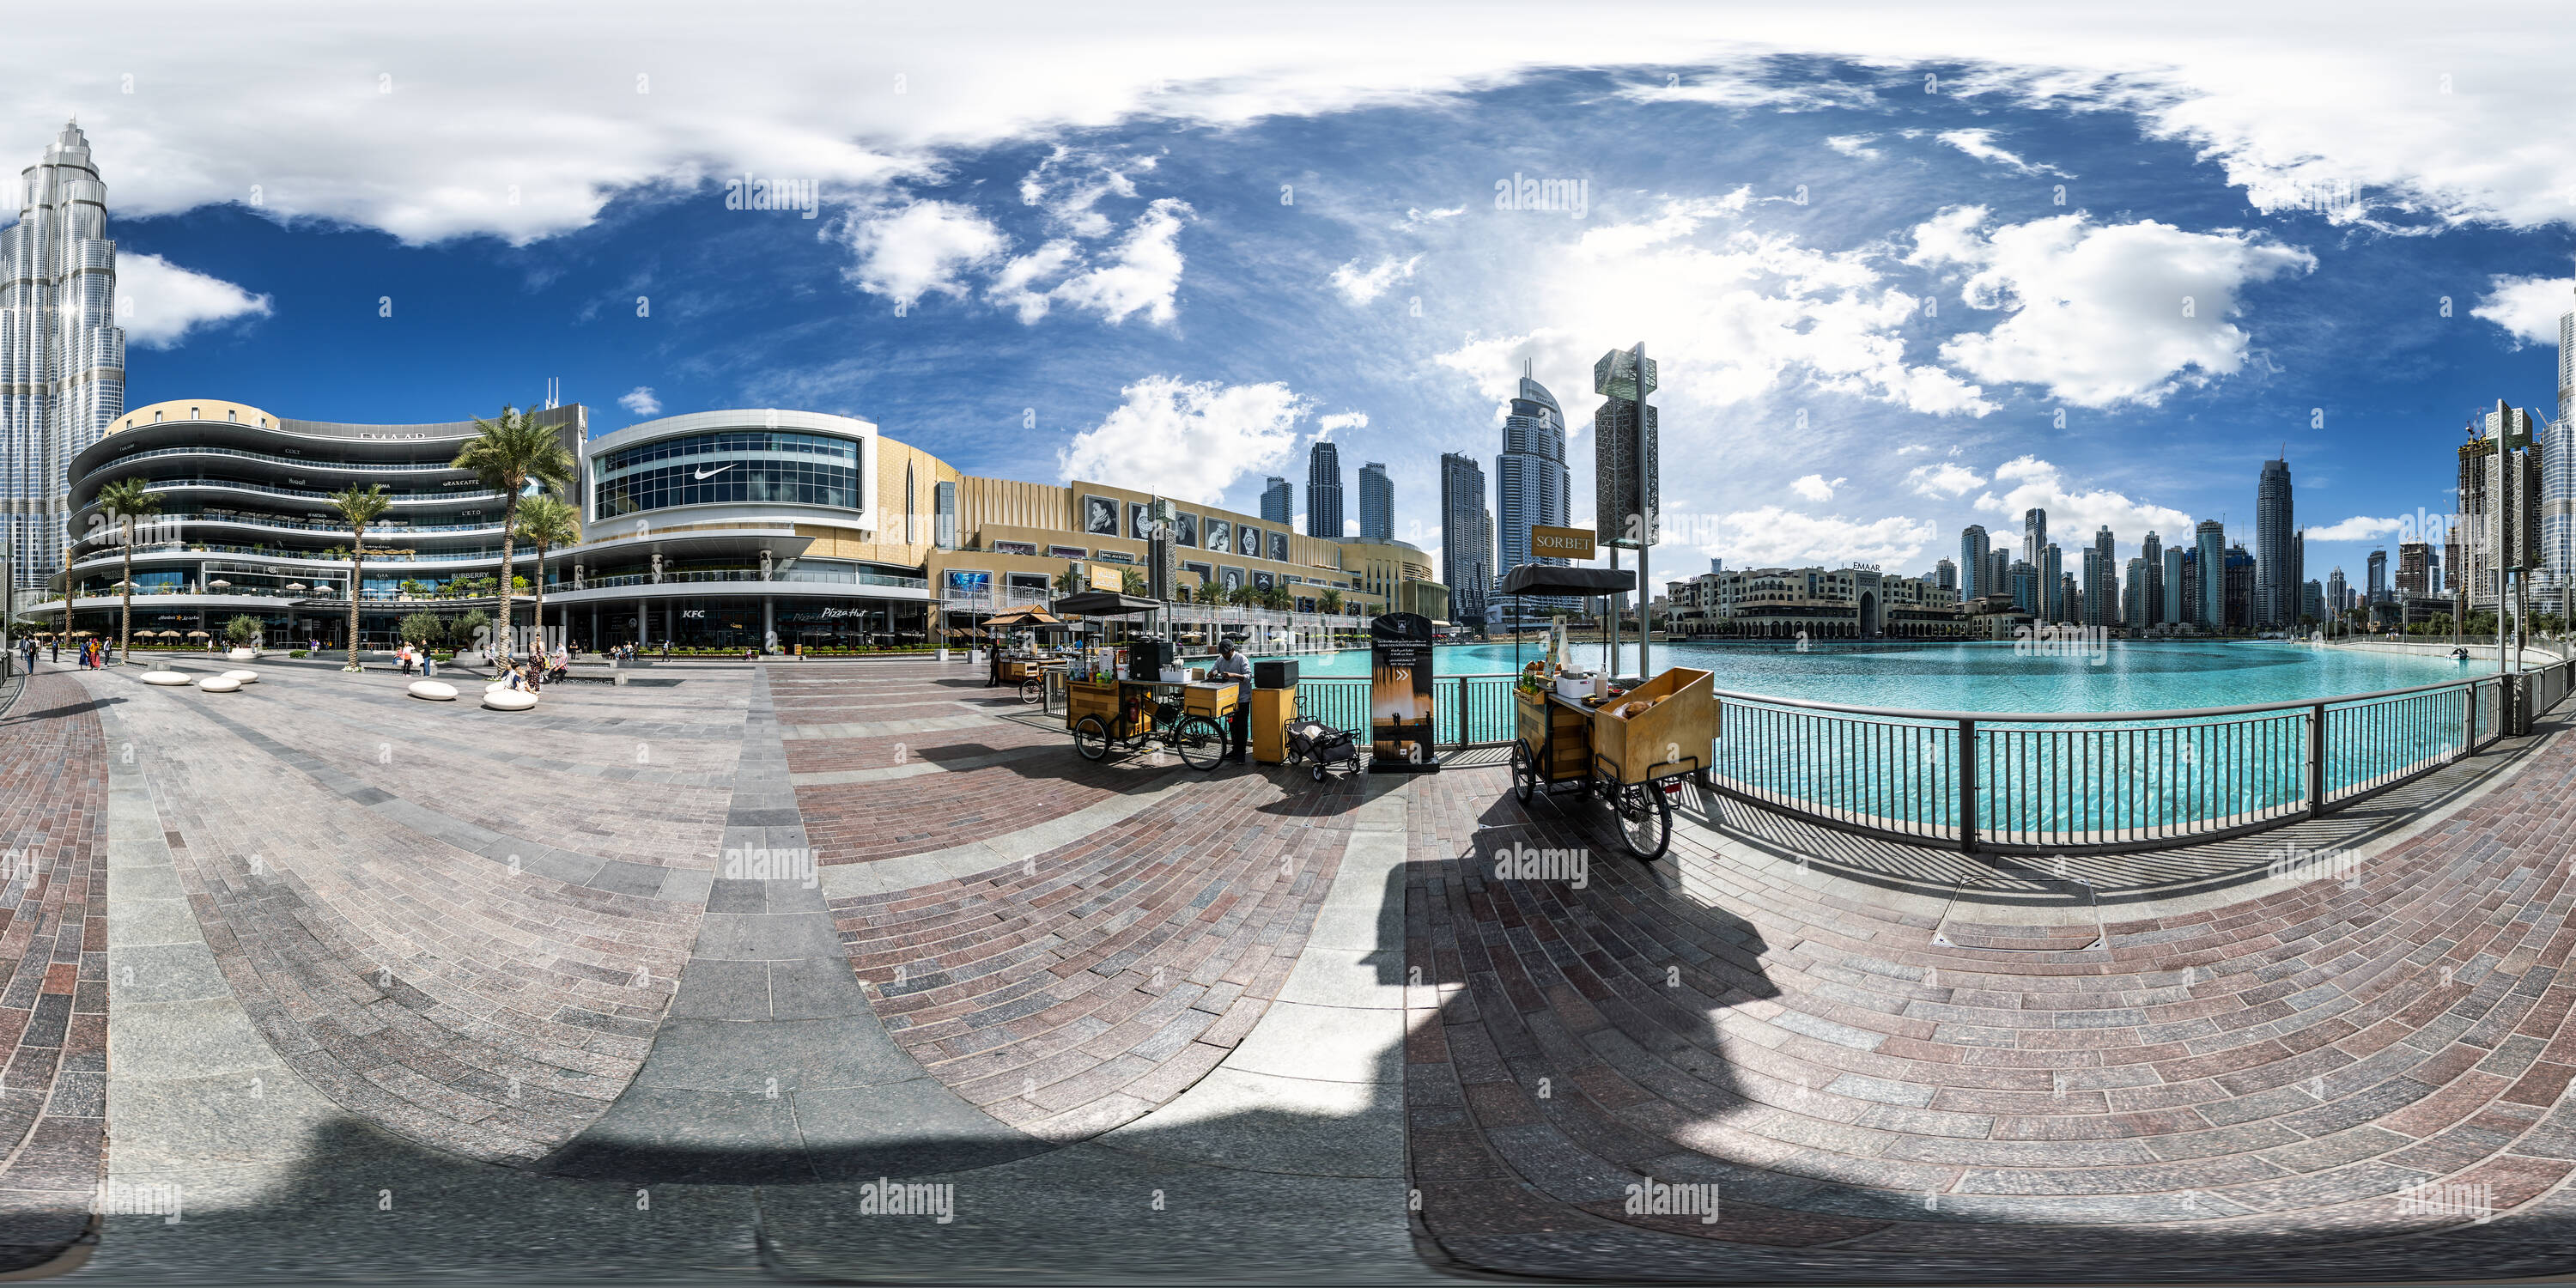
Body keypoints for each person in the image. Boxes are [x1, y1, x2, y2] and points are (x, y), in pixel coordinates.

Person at [1209, 639, 1254, 765]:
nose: (1224, 656)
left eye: (1226, 653)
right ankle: (1235, 750)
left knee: (1242, 726)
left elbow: (1248, 676)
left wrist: (1233, 675)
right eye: (1223, 654)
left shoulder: (1241, 659)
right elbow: (1215, 669)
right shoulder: (1220, 659)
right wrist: (1212, 673)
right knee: (1232, 726)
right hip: (1228, 699)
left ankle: (1241, 754)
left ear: (1233, 650)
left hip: (1243, 699)